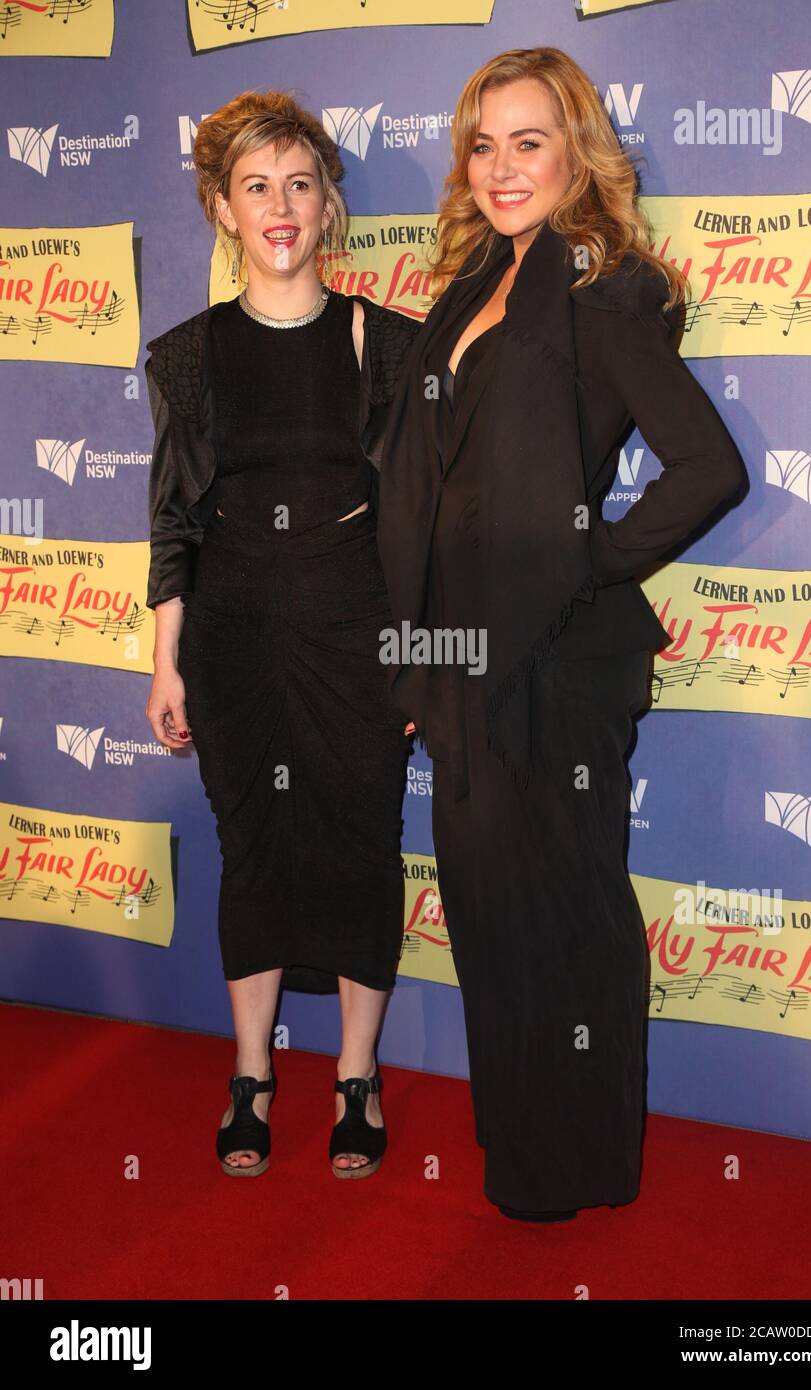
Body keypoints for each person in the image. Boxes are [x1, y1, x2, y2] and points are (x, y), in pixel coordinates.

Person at [377, 48, 748, 1221]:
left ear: (575, 151)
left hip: (556, 661)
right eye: (482, 145)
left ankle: (576, 1163)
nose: (500, 168)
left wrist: (588, 559)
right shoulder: (471, 285)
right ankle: (522, 1147)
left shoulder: (605, 291)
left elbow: (707, 466)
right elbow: (433, 487)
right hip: (460, 662)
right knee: (488, 916)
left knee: (564, 917)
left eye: (527, 142)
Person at [143, 91, 419, 1180]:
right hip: (232, 639)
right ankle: (251, 1073)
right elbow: (173, 517)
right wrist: (165, 661)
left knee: (360, 844)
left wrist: (417, 657)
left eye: (299, 184)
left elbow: (419, 520)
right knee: (252, 848)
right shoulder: (186, 356)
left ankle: (356, 1076)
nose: (280, 206)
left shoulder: (385, 343)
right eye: (255, 187)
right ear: (222, 208)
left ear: (328, 204)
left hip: (356, 635)